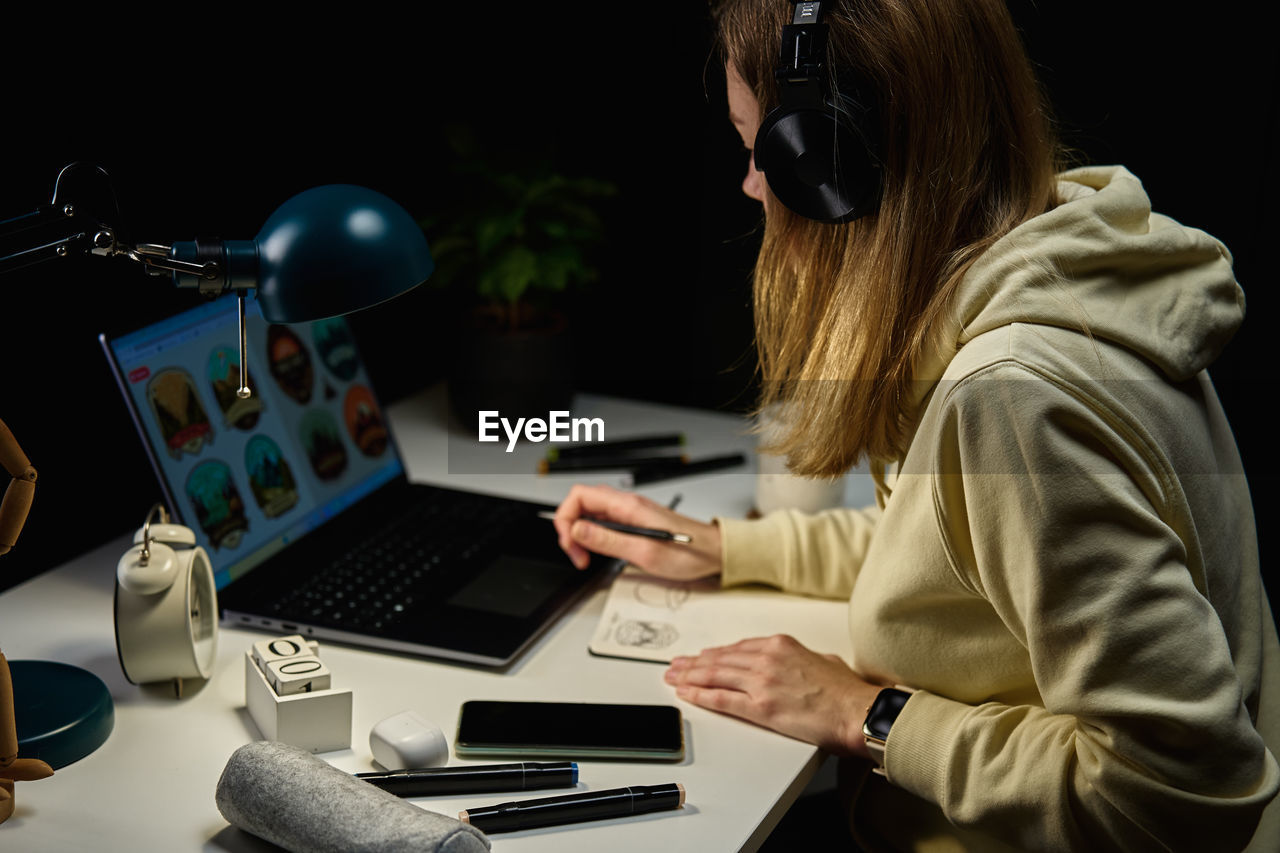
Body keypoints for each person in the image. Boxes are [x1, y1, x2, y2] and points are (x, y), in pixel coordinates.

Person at [549, 0, 1280, 850]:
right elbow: (951, 549)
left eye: (761, 152)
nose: (751, 186)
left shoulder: (1016, 397)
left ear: (834, 165)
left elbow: (1182, 789)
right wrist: (728, 548)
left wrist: (866, 713)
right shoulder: (1071, 272)